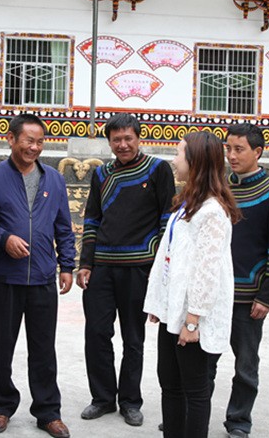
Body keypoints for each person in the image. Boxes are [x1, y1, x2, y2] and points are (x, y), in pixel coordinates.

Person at [76, 113, 175, 426]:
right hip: (102, 268)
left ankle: (130, 401)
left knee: (133, 338)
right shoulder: (101, 173)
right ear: (109, 142)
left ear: (138, 138)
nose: (122, 145)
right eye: (116, 139)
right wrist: (85, 263)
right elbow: (92, 219)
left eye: (128, 138)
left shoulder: (158, 169)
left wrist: (160, 266)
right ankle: (102, 398)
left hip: (139, 268)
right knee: (96, 334)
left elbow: (166, 219)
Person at [143, 131, 240, 438]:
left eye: (179, 154)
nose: (174, 160)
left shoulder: (212, 212)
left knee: (195, 390)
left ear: (195, 161)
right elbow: (169, 256)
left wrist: (193, 320)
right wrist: (160, 303)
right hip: (173, 312)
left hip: (192, 318)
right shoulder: (187, 204)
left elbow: (207, 271)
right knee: (170, 384)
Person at [0, 114, 76, 438]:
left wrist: (67, 265)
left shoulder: (54, 179)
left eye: (39, 142)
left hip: (42, 277)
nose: (34, 147)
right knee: (1, 348)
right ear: (11, 139)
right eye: (28, 141)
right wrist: (3, 239)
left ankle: (48, 412)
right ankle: (2, 406)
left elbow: (63, 226)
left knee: (43, 350)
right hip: (5, 278)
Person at [222, 123, 269, 438]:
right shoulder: (221, 188)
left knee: (246, 364)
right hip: (215, 291)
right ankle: (193, 413)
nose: (232, 156)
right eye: (228, 149)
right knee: (202, 361)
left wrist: (266, 296)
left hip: (249, 296)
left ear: (257, 152)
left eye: (239, 149)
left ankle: (239, 420)